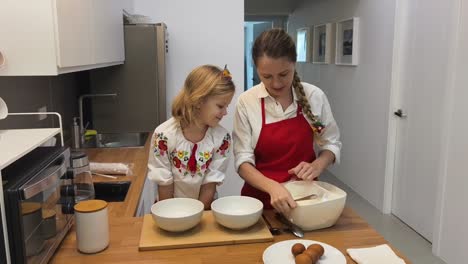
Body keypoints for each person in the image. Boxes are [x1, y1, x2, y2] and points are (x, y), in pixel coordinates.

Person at [233, 29, 342, 214]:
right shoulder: (247, 102)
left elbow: (331, 144)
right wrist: (273, 187)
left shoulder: (314, 96)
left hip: (305, 201)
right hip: (259, 202)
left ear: (294, 63)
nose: (276, 84)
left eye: (284, 74)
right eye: (266, 76)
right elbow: (243, 161)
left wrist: (317, 165)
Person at [147, 64, 235, 209]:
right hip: (169, 208)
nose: (225, 112)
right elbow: (165, 185)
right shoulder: (163, 136)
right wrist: (172, 218)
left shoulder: (222, 139)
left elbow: (209, 186)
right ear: (199, 101)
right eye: (220, 106)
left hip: (204, 209)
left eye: (227, 106)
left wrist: (196, 216)